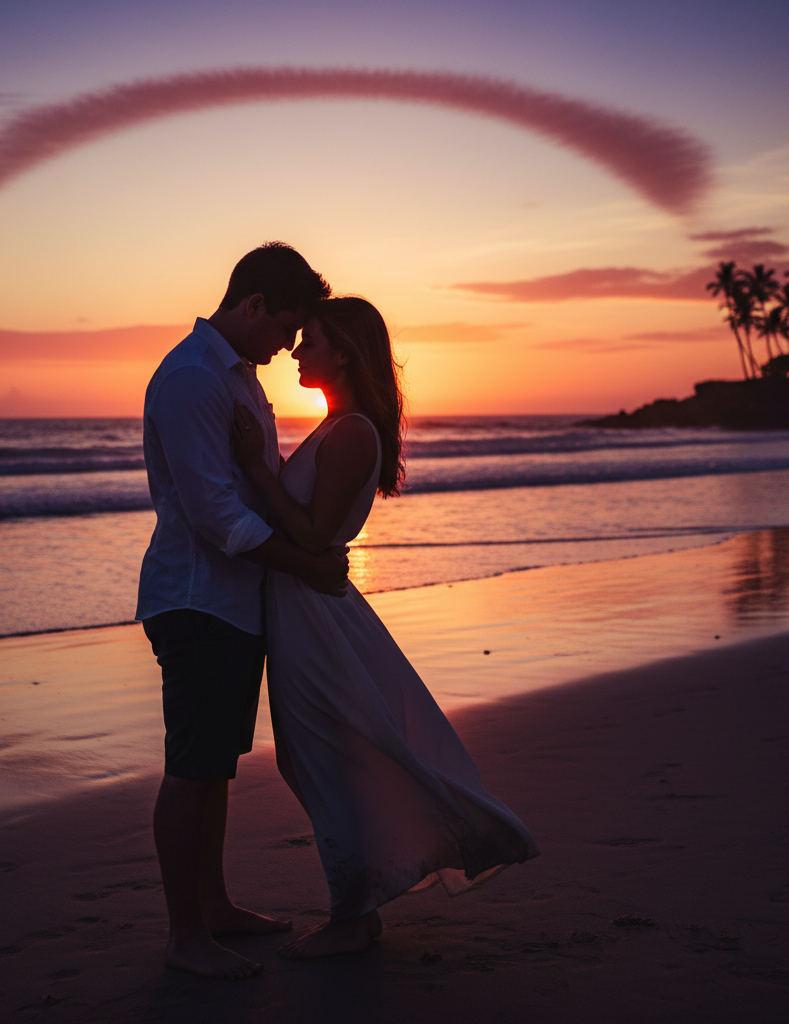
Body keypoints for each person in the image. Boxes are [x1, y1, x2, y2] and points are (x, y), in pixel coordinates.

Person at [232, 296, 539, 959]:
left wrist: (257, 464)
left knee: (322, 755)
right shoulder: (338, 425)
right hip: (305, 606)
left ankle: (353, 915)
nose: (295, 350)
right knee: (315, 755)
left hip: (315, 614)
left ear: (343, 351)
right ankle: (364, 899)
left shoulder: (352, 433)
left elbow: (313, 532)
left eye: (309, 339)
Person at [136, 243, 350, 980]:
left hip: (233, 604)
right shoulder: (195, 379)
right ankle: (184, 936)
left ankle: (216, 906)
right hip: (197, 600)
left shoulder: (237, 377)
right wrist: (310, 566)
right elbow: (215, 516)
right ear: (254, 305)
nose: (288, 348)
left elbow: (254, 487)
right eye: (286, 330)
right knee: (192, 768)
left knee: (216, 765)